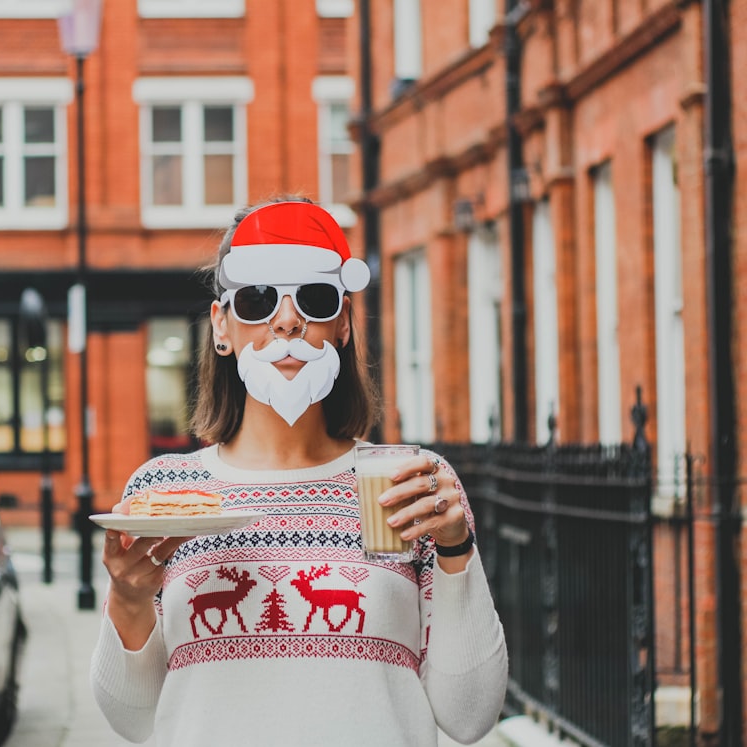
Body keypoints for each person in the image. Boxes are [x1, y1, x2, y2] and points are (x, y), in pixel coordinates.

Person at [91, 197, 507, 746]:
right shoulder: (166, 493)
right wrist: (126, 596)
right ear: (222, 327)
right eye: (259, 301)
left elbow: (470, 715)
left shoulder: (409, 485)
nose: (288, 320)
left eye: (314, 298)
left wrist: (456, 548)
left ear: (342, 326)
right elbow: (134, 719)